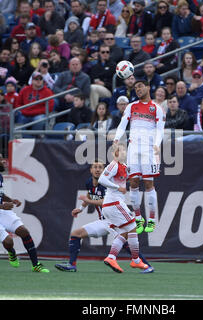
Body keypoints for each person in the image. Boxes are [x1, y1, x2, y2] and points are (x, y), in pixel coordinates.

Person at [54, 160, 153, 273]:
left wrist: (89, 201)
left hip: (114, 219)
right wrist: (81, 208)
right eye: (95, 167)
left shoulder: (107, 184)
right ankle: (72, 265)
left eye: (100, 167)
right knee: (76, 234)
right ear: (90, 170)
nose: (97, 169)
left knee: (126, 240)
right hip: (103, 221)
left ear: (104, 170)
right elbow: (90, 194)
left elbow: (104, 202)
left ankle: (146, 265)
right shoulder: (89, 182)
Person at [0, 152, 49, 273]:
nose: (4, 161)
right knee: (9, 241)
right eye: (1, 159)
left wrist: (10, 200)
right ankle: (11, 252)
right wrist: (2, 206)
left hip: (0, 212)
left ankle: (36, 265)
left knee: (24, 231)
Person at [112, 79, 165, 234]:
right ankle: (138, 217)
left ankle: (152, 220)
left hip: (149, 149)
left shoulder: (157, 108)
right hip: (133, 148)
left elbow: (160, 129)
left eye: (140, 86)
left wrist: (157, 143)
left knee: (149, 184)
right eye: (135, 88)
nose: (138, 89)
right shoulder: (131, 106)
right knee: (133, 183)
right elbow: (123, 124)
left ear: (148, 87)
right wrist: (116, 138)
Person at [99, 143, 150, 273]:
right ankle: (136, 260)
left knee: (125, 232)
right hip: (114, 203)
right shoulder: (114, 165)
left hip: (112, 205)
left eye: (124, 150)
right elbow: (101, 179)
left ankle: (111, 257)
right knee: (133, 226)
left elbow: (128, 178)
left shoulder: (123, 167)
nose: (124, 153)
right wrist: (118, 188)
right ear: (114, 153)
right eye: (120, 151)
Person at [89, 45, 116, 110]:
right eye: (103, 52)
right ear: (99, 53)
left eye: (107, 52)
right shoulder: (95, 66)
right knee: (90, 88)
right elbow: (92, 78)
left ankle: (94, 112)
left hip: (109, 90)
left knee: (92, 88)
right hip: (96, 87)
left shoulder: (113, 65)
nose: (105, 54)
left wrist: (104, 84)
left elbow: (116, 82)